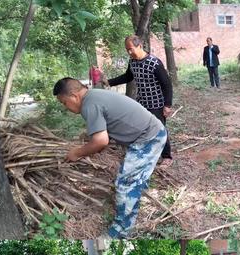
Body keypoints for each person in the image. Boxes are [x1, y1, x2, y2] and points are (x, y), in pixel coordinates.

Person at [53, 78, 167, 238]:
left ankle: (121, 231)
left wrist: (76, 153)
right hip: (151, 131)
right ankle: (136, 196)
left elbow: (100, 141)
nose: (66, 108)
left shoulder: (89, 105)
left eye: (64, 103)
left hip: (149, 137)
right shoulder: (94, 96)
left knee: (125, 184)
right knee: (131, 178)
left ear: (74, 96)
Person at [107, 35, 173, 162]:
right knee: (141, 127)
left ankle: (167, 157)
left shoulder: (154, 63)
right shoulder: (132, 62)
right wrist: (108, 82)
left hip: (156, 104)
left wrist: (167, 105)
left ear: (140, 46)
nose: (129, 52)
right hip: (142, 103)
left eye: (131, 49)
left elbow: (167, 84)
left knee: (159, 129)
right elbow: (127, 77)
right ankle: (146, 152)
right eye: (127, 50)